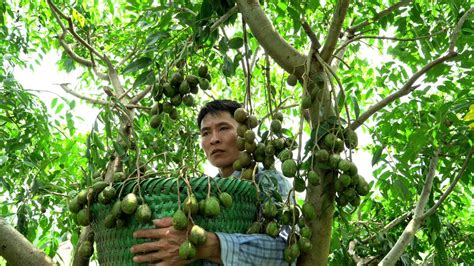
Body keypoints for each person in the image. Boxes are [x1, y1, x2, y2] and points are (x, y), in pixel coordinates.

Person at [130, 100, 292, 265]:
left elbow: (287, 249)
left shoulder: (268, 180)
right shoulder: (205, 191)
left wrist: (210, 246)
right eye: (206, 133)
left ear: (244, 132)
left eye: (223, 128)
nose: (214, 139)